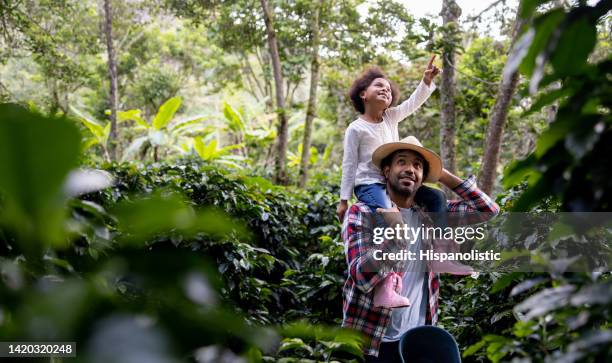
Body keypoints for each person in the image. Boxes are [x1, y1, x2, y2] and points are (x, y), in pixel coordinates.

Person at [341, 136, 499, 362]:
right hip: (371, 341)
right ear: (386, 171)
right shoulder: (362, 212)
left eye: (417, 166)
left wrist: (441, 174)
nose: (409, 169)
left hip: (418, 339)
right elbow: (361, 275)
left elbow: (488, 210)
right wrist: (395, 233)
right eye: (402, 162)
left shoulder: (432, 215)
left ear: (423, 177)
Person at [337, 56, 443, 309]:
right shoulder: (356, 128)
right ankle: (386, 286)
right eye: (378, 86)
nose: (385, 89)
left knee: (437, 198)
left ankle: (443, 251)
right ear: (363, 94)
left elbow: (413, 103)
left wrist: (426, 81)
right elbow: (349, 164)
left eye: (388, 88)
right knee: (394, 225)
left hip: (391, 183)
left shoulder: (391, 118)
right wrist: (344, 200)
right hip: (369, 186)